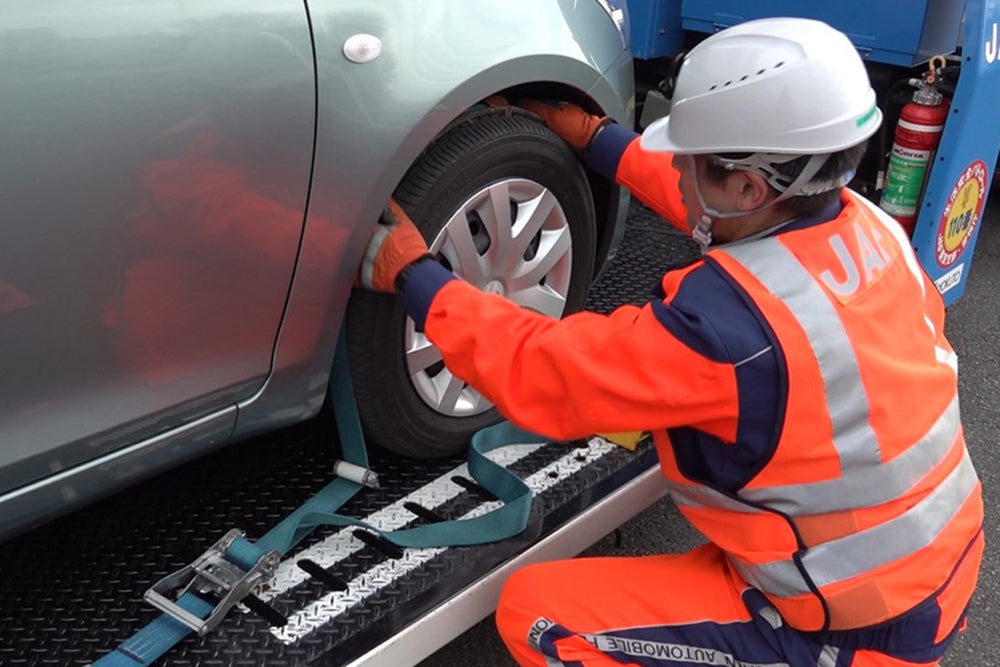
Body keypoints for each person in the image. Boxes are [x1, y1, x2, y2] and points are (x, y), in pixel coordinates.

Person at [357, 17, 983, 667]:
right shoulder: (870, 230)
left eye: (688, 160)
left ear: (749, 187)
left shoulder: (725, 334)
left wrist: (415, 273)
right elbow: (716, 214)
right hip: (929, 569)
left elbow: (542, 371)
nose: (676, 171)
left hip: (850, 633)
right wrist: (596, 140)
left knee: (536, 611)